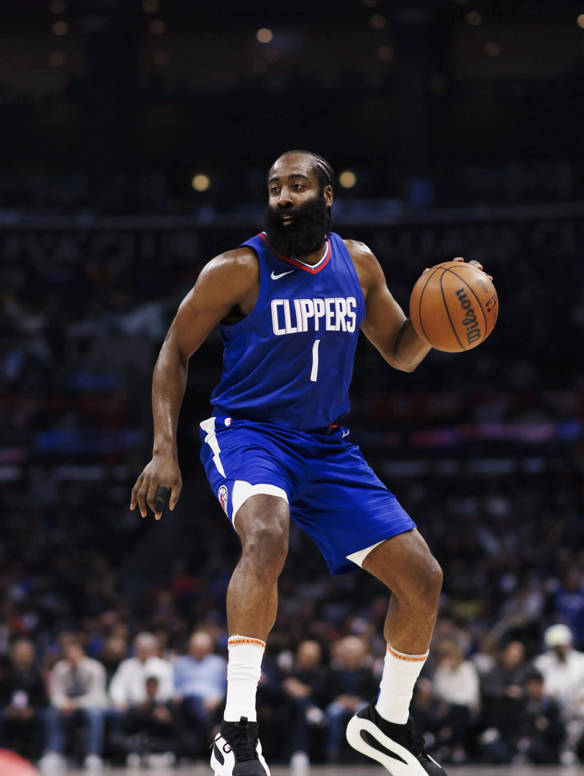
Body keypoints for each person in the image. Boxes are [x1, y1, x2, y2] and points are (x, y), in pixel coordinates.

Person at [131, 149, 487, 776]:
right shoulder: (236, 269)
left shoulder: (359, 262)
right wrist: (164, 451)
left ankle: (387, 723)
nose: (283, 197)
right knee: (268, 536)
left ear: (326, 196)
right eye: (274, 188)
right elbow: (173, 351)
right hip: (250, 435)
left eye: (297, 185)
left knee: (422, 578)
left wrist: (439, 315)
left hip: (327, 447)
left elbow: (401, 351)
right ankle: (237, 729)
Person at [40, 640, 108, 773]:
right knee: (52, 713)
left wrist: (75, 704)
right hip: (67, 706)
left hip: (90, 705)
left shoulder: (95, 667)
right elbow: (56, 693)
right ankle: (53, 753)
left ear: (82, 653)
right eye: (69, 654)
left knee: (95, 714)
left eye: (75, 653)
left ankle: (93, 755)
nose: (72, 657)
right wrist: (64, 704)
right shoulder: (60, 668)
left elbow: (97, 695)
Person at [0, 638, 47, 761]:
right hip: (9, 709)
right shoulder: (5, 675)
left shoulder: (37, 675)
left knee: (44, 717)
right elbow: (2, 696)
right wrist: (8, 708)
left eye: (25, 653)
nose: (22, 656)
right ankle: (4, 753)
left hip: (32, 709)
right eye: (19, 653)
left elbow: (42, 699)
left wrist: (31, 709)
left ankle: (39, 754)